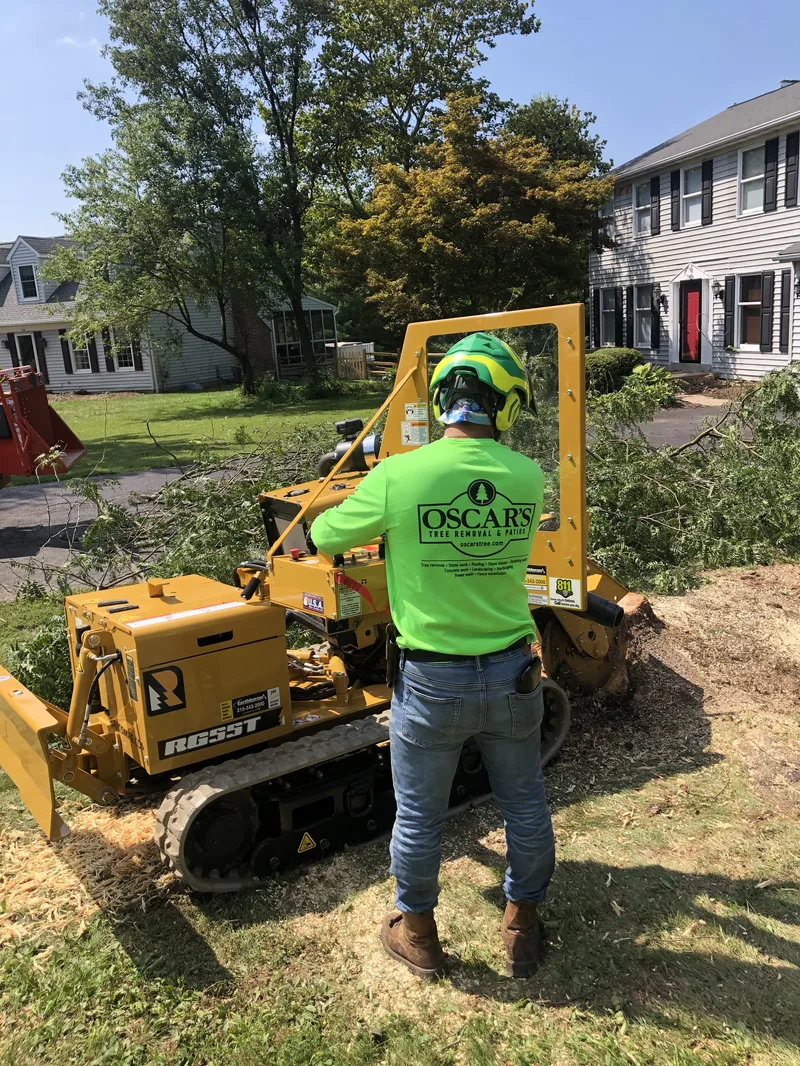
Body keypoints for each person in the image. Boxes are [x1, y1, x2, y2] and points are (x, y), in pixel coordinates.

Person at [310, 332, 554, 980]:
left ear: (443, 398)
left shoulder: (400, 474)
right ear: (504, 406)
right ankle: (522, 929)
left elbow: (325, 532)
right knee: (524, 803)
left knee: (419, 814)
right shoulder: (528, 477)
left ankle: (417, 935)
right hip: (512, 673)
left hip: (431, 681)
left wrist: (382, 496)